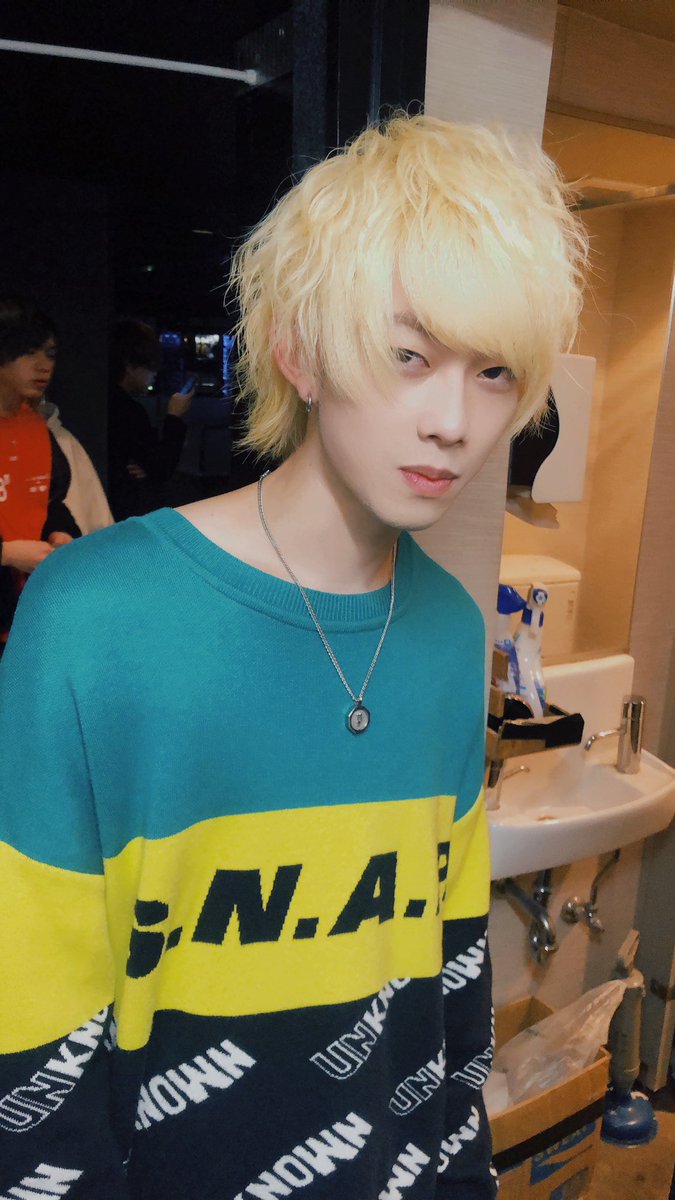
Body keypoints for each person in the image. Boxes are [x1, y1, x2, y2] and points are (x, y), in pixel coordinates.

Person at [0, 115, 586, 1198]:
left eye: (495, 371)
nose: (455, 421)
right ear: (298, 352)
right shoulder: (96, 615)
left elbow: (449, 975)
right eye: (408, 355)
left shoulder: (449, 629)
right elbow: (30, 1025)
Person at [0, 297, 81, 651]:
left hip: (26, 613)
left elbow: (49, 502)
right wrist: (5, 553)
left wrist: (61, 533)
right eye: (28, 351)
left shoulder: (36, 427)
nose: (43, 365)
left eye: (49, 353)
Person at [107, 319, 194, 520]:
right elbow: (162, 467)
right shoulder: (128, 410)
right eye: (150, 366)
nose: (154, 374)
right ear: (130, 366)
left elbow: (151, 464)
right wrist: (174, 416)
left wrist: (148, 467)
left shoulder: (107, 400)